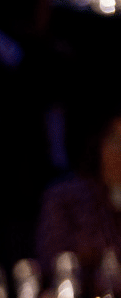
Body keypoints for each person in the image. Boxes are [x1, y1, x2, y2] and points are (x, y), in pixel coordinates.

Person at [34, 107, 121, 285]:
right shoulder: (65, 197)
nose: (119, 151)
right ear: (98, 141)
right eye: (114, 139)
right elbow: (53, 263)